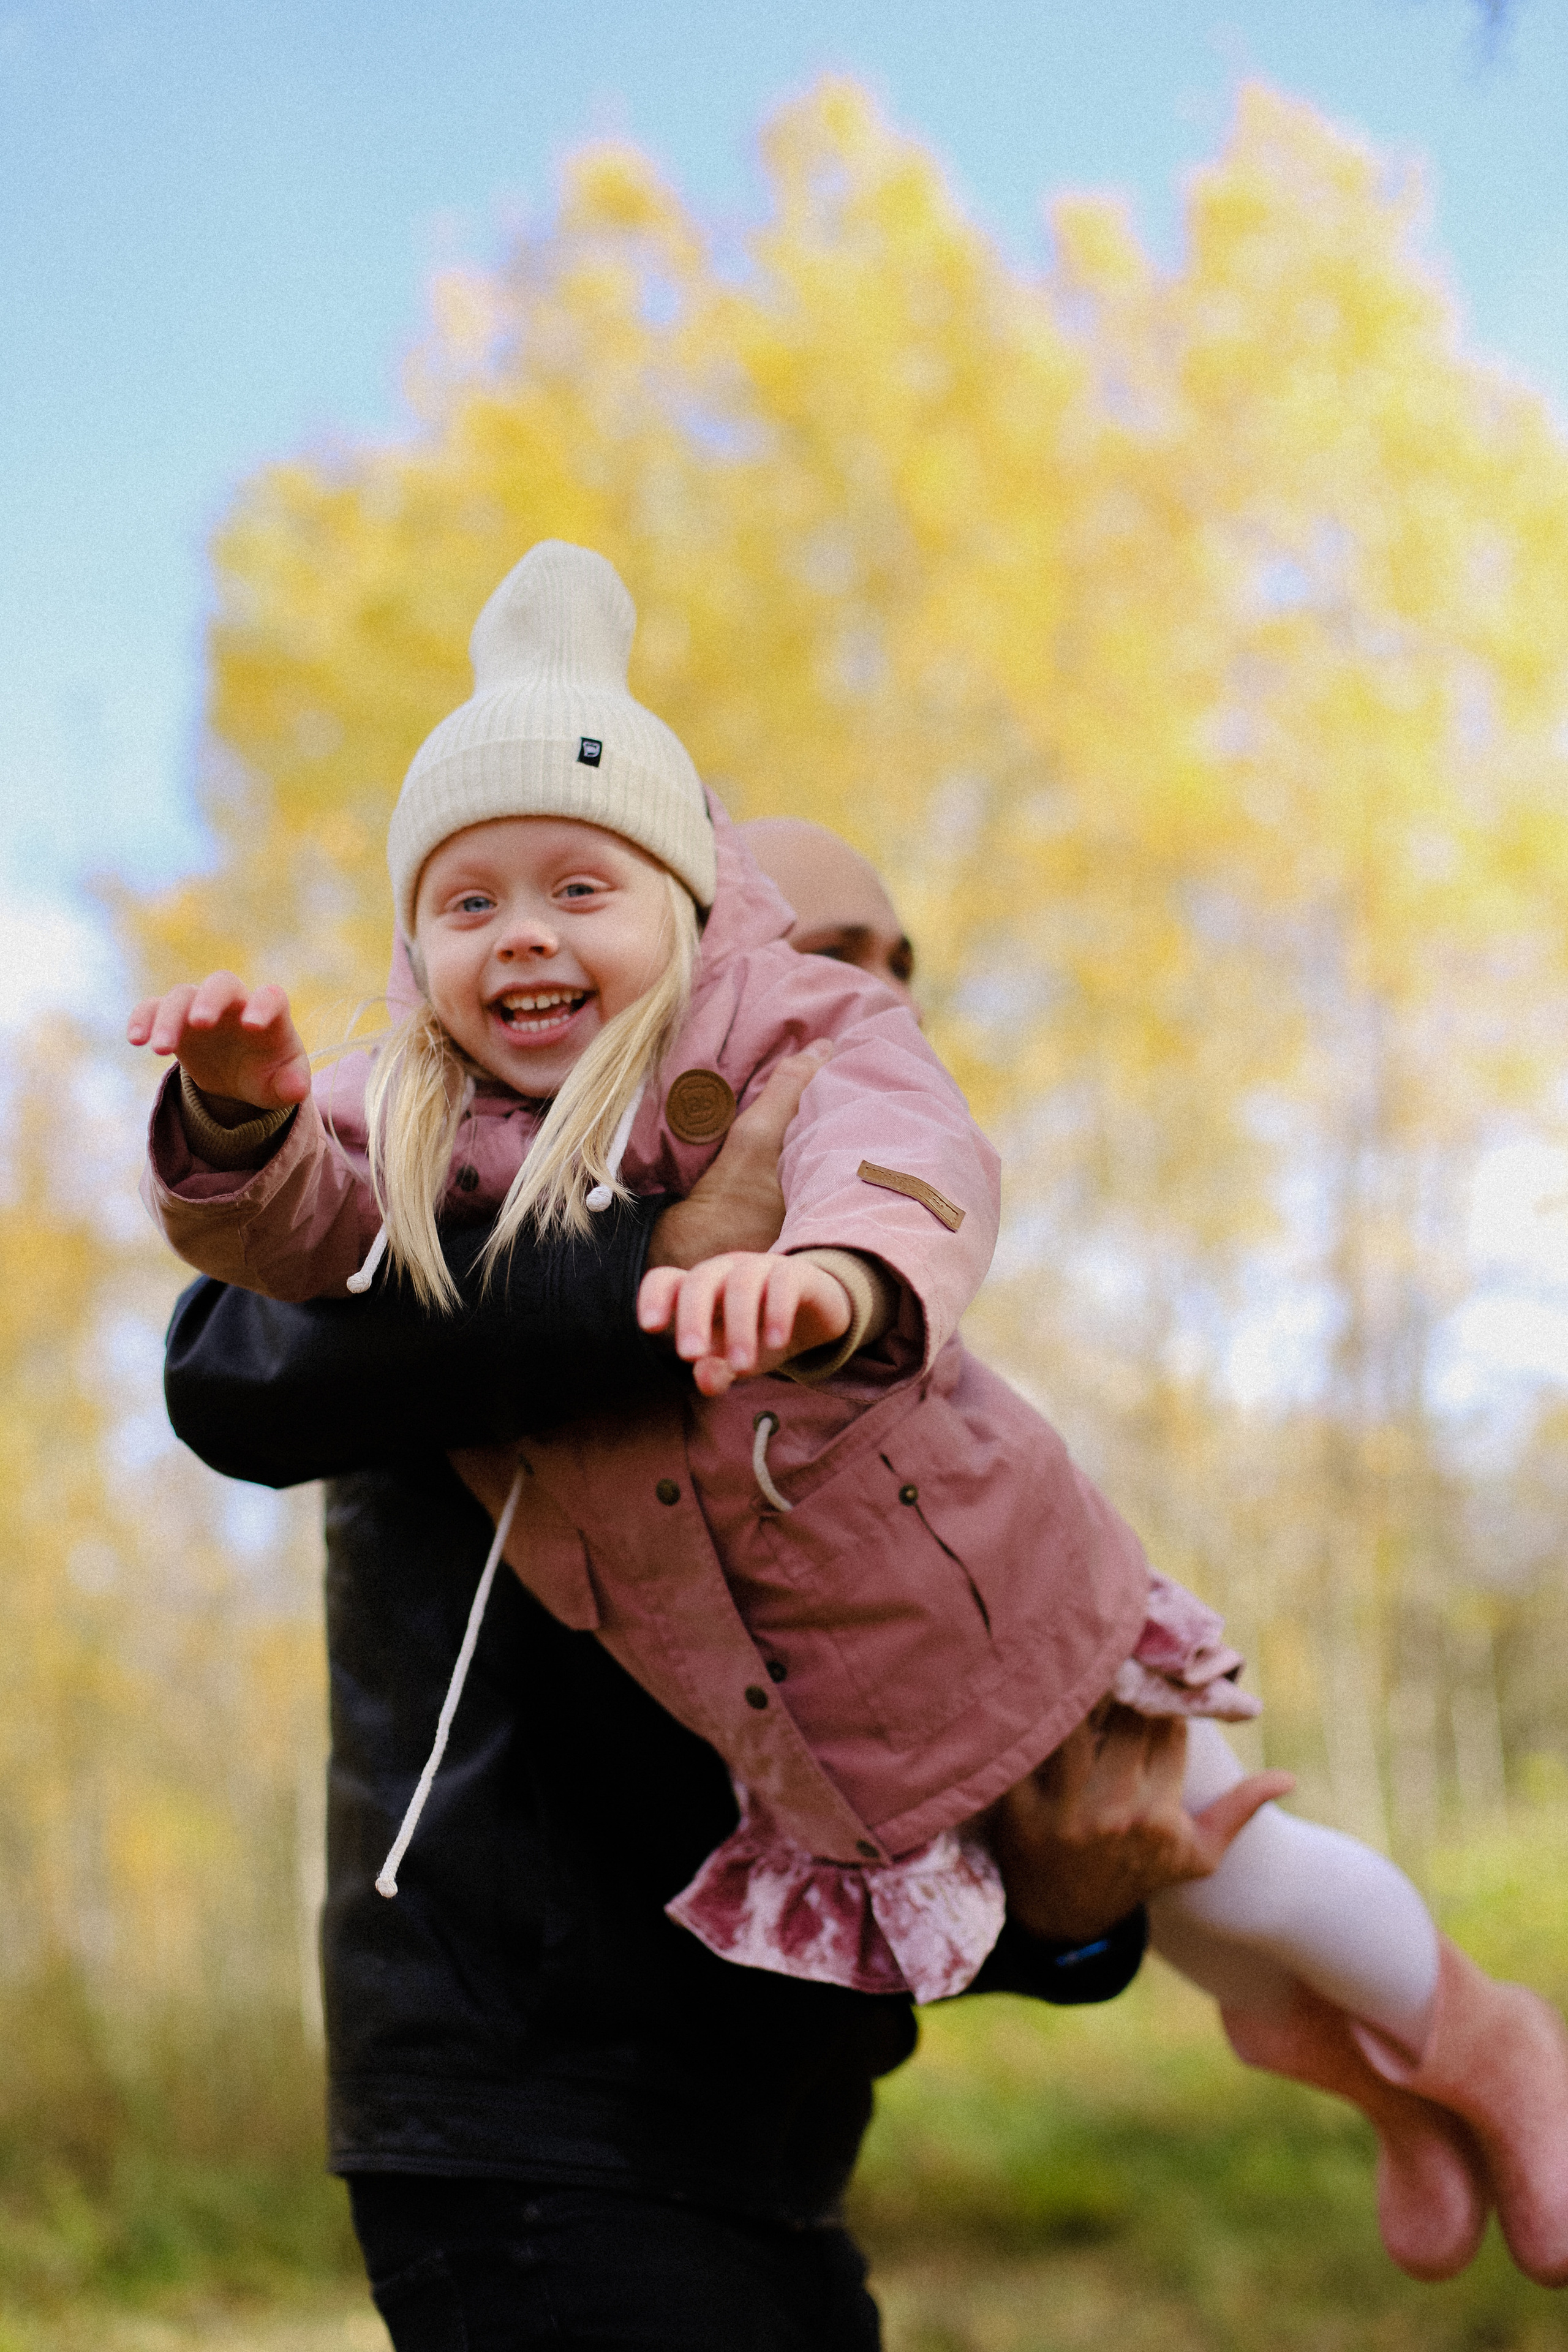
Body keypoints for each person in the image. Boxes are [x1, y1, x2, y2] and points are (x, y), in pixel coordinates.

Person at [132, 541, 1568, 2294]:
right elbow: (231, 1359)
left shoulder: (849, 1227)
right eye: (817, 951)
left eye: (896, 965)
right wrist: (654, 1245)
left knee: (1202, 1849)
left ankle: (1400, 2063)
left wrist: (1071, 1917)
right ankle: (1441, 2038)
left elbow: (907, 1731)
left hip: (785, 2126)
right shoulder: (451, 1177)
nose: (858, 993)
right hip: (531, 2104)